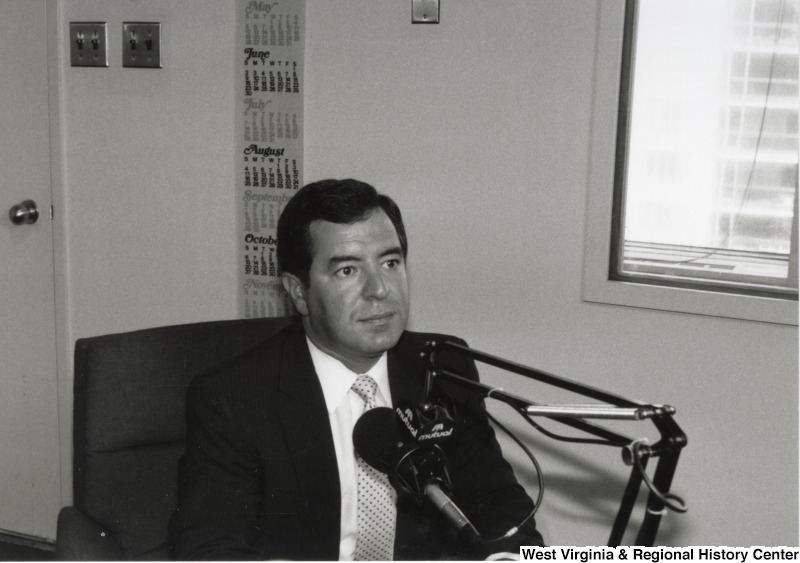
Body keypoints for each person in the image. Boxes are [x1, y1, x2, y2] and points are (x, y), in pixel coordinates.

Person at [168, 179, 544, 560]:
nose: (379, 289)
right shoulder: (233, 398)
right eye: (348, 270)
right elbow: (209, 549)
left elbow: (500, 505)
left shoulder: (442, 365)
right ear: (298, 291)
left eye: (390, 262)